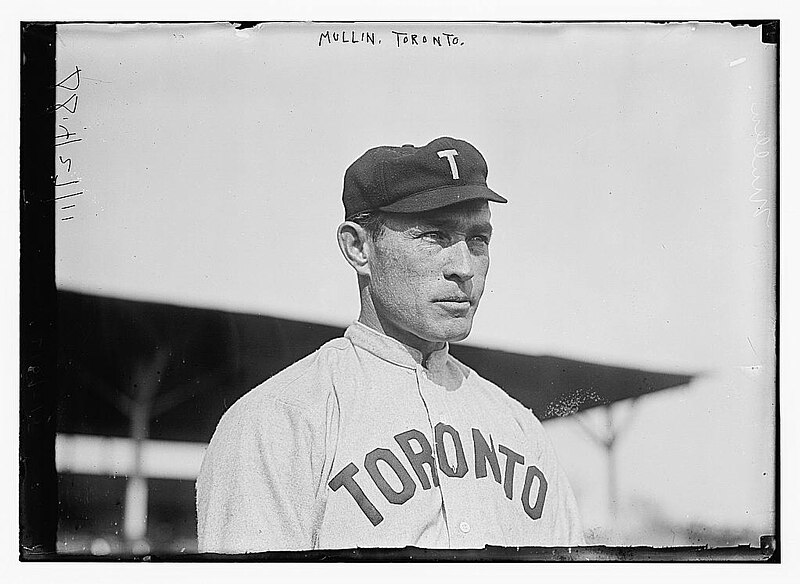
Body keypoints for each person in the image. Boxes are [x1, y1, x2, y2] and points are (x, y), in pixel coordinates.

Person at [195, 136, 585, 552]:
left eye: (478, 240)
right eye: (434, 236)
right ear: (358, 247)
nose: (464, 267)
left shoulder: (520, 427)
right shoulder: (278, 420)